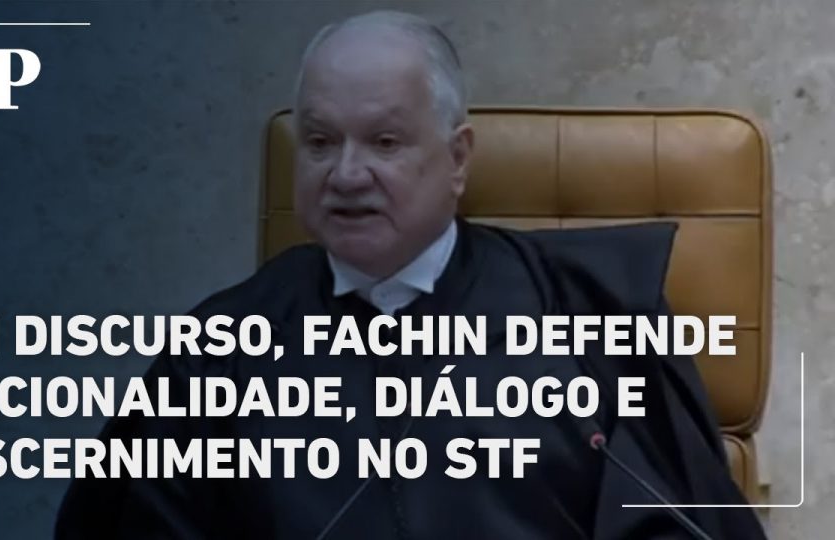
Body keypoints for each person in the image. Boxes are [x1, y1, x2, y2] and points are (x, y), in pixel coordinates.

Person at [56, 11, 767, 539]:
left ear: (457, 158)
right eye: (320, 142)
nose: (347, 174)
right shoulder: (220, 346)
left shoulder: (592, 318)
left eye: (385, 141)